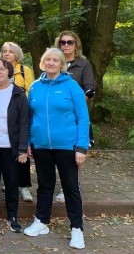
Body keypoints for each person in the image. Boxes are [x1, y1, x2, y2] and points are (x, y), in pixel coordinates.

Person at [24, 48, 90, 250]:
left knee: (70, 188)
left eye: (55, 60)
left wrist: (81, 148)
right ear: (42, 63)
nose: (51, 63)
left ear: (62, 64)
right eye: (48, 60)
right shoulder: (35, 87)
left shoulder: (72, 87)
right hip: (41, 146)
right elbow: (29, 117)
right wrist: (28, 142)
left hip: (67, 147)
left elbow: (83, 118)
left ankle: (77, 229)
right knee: (44, 185)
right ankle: (42, 222)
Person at [0, 59, 30, 234]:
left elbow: (25, 123)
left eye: (3, 69)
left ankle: (13, 216)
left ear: (9, 72)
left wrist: (22, 149)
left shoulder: (18, 94)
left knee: (12, 183)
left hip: (11, 149)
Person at [53, 30, 95, 203]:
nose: (66, 46)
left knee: (76, 151)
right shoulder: (54, 62)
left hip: (75, 115)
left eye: (70, 42)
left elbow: (89, 90)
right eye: (63, 42)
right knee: (58, 151)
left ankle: (70, 186)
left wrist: (73, 102)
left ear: (76, 44)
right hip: (55, 115)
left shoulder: (83, 64)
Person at [0, 41, 35, 203]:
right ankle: (9, 182)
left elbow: (31, 91)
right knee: (7, 153)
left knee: (22, 150)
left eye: (10, 51)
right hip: (3, 118)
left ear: (17, 54)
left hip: (21, 116)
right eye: (4, 51)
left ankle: (24, 186)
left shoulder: (24, 70)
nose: (7, 54)